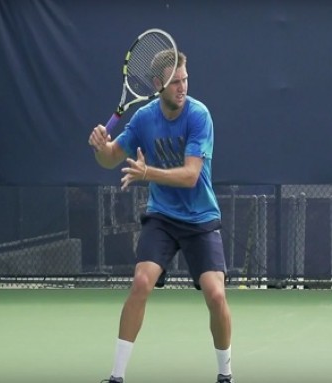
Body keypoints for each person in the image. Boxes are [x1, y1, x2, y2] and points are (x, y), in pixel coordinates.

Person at [88, 49, 234, 383]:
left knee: (216, 294)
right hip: (163, 218)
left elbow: (191, 175)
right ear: (158, 84)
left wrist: (147, 174)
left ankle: (225, 374)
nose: (182, 87)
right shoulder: (143, 119)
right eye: (175, 82)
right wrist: (101, 147)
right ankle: (116, 376)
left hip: (200, 218)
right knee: (141, 282)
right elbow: (111, 159)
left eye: (185, 79)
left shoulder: (199, 115)